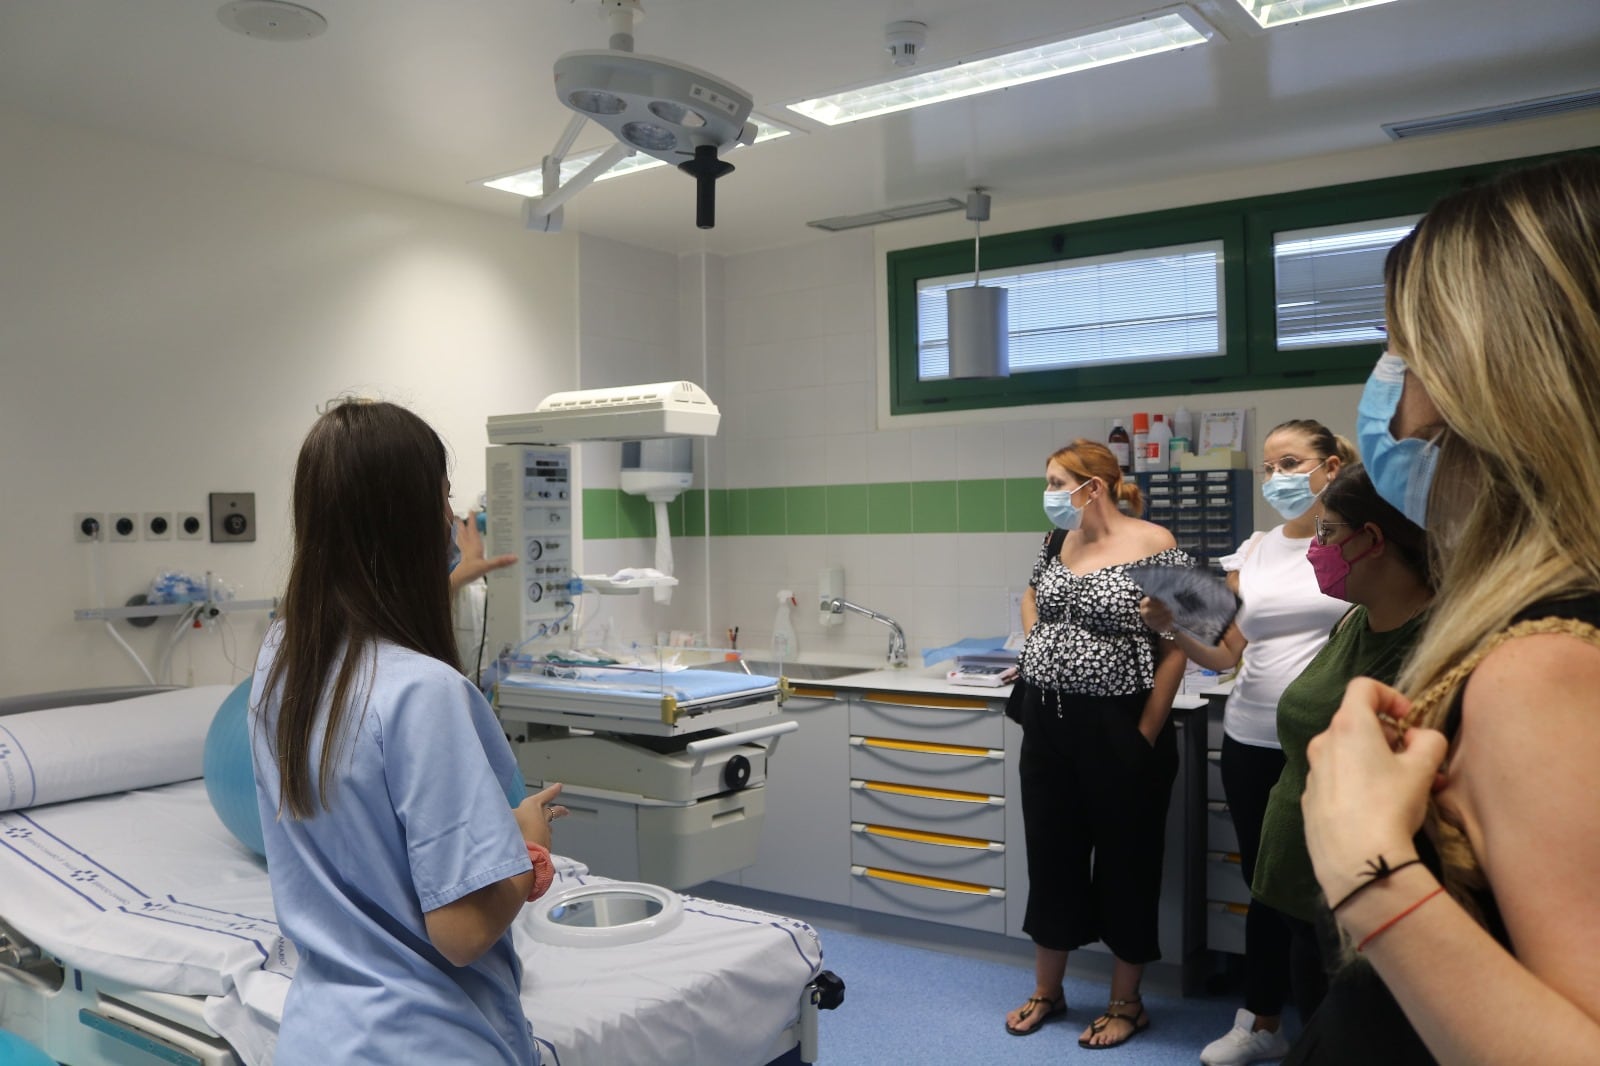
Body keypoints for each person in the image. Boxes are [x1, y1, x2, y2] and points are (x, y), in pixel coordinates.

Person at [1294, 154, 1600, 1063]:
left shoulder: (1544, 664)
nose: (1394, 396)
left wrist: (1362, 866)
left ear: (1492, 377)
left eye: (1403, 353)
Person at [251, 401, 562, 1065]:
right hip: (428, 1043)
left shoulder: (283, 665)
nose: (453, 521)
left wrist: (450, 584)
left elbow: (370, 630)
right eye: (444, 499)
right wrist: (528, 851)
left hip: (322, 1039)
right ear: (409, 520)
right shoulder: (426, 695)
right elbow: (461, 931)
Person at [1139, 420, 1356, 1064]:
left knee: (1326, 894)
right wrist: (1172, 625)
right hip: (1250, 734)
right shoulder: (1254, 549)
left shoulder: (1357, 540)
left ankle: (1337, 1031)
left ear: (1332, 466)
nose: (1275, 478)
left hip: (1331, 741)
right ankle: (1261, 1020)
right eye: (1267, 468)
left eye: (1290, 463)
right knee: (1266, 884)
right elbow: (1228, 651)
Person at [1000, 439, 1191, 1049]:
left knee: (1126, 863)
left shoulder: (1153, 543)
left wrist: (1147, 732)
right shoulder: (1059, 540)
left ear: (1096, 487)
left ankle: (1126, 1002)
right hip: (1049, 723)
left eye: (1058, 482)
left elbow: (1185, 641)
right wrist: (1039, 648)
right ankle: (1047, 990)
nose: (1050, 494)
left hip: (1121, 727)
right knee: (1051, 855)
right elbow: (1033, 594)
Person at [1247, 465, 1432, 1027]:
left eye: (1326, 534)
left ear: (1373, 540)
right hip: (1300, 888)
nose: (1314, 549)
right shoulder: (1355, 622)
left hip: (1356, 898)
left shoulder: (1429, 648)